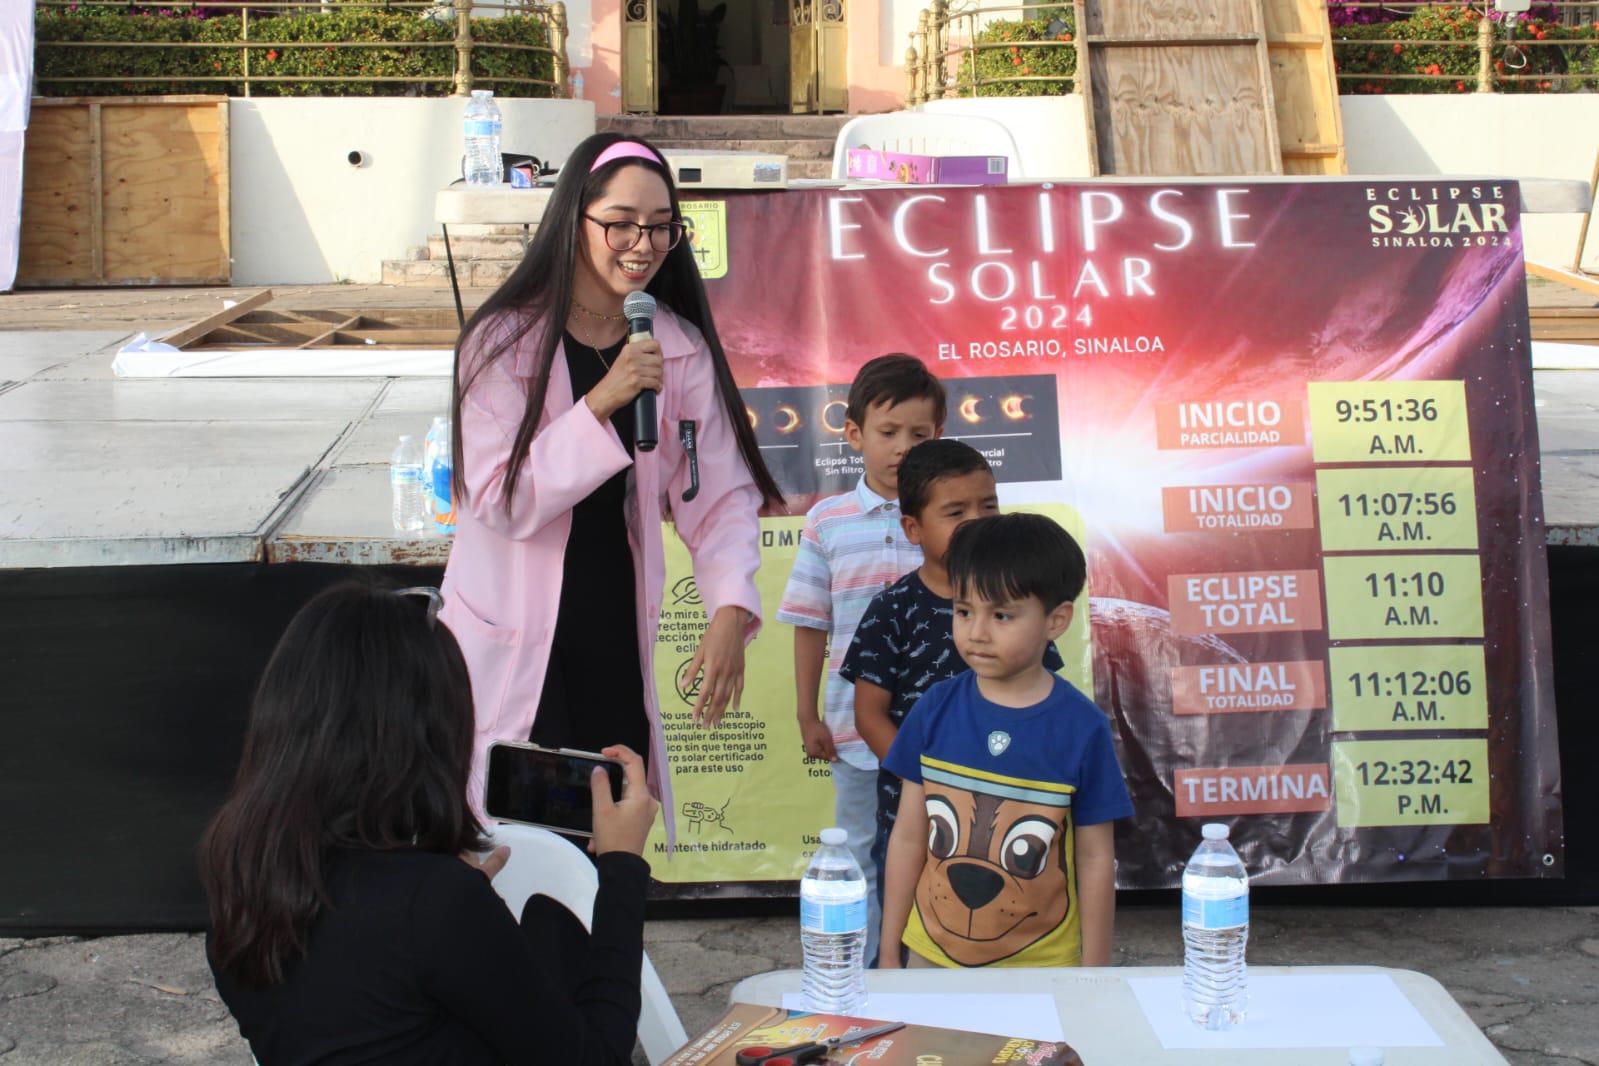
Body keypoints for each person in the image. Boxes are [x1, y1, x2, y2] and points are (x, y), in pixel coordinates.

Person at [441, 133, 783, 815]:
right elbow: (501, 499)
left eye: (661, 228)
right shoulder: (503, 342)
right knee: (514, 836)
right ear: (575, 221)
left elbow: (719, 498)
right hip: (515, 634)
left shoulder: (676, 348)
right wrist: (602, 403)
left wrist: (728, 607)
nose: (643, 244)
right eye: (621, 223)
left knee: (607, 830)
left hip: (612, 632)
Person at [200, 582, 661, 1065]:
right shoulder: (436, 904)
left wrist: (461, 920)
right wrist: (621, 865)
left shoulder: (239, 892)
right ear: (430, 737)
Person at [837, 438, 1062, 956]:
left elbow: (1040, 695)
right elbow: (870, 716)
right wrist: (928, 782)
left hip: (1009, 805)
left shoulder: (1018, 604)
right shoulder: (892, 608)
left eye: (988, 506)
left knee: (998, 916)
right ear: (913, 528)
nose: (978, 522)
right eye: (956, 511)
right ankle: (889, 977)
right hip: (915, 806)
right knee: (908, 914)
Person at [879, 514, 1133, 969]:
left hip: (1043, 968)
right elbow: (908, 837)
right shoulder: (934, 709)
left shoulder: (1082, 728)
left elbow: (1096, 859)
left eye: (1001, 615)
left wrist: (1095, 973)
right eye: (963, 611)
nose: (976, 632)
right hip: (929, 956)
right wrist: (889, 949)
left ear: (1056, 620)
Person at [776, 353, 944, 965]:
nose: (902, 447)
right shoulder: (827, 521)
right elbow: (808, 624)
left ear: (938, 436)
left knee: (939, 852)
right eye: (887, 432)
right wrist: (806, 714)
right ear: (854, 434)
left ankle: (937, 968)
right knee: (865, 852)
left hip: (946, 732)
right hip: (853, 731)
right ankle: (869, 973)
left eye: (918, 435)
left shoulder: (951, 518)